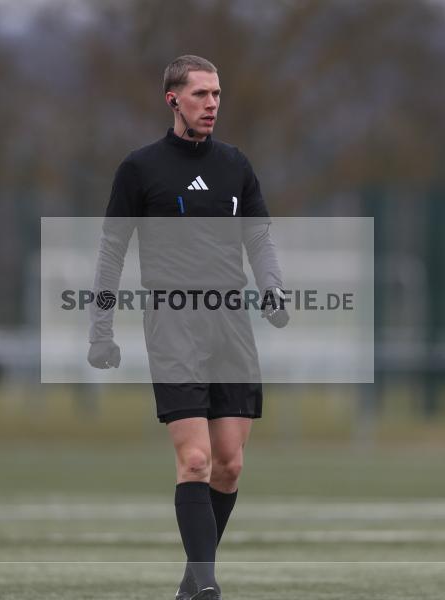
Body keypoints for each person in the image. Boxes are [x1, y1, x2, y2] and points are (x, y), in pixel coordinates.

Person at [88, 55, 288, 600]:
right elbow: (111, 251)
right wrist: (100, 329)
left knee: (229, 465)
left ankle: (190, 585)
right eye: (201, 94)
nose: (212, 104)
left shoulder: (235, 164)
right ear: (173, 100)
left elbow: (259, 238)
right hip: (173, 322)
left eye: (217, 94)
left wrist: (272, 286)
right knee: (195, 460)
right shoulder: (140, 168)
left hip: (231, 324)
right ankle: (207, 586)